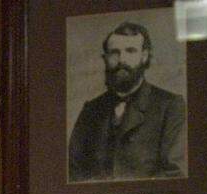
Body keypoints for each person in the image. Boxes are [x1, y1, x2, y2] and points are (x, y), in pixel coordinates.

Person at [68, 21, 186, 182]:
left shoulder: (170, 106)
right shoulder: (91, 110)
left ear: (144, 56)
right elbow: (73, 171)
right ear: (105, 58)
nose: (121, 60)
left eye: (130, 51)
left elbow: (175, 173)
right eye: (114, 53)